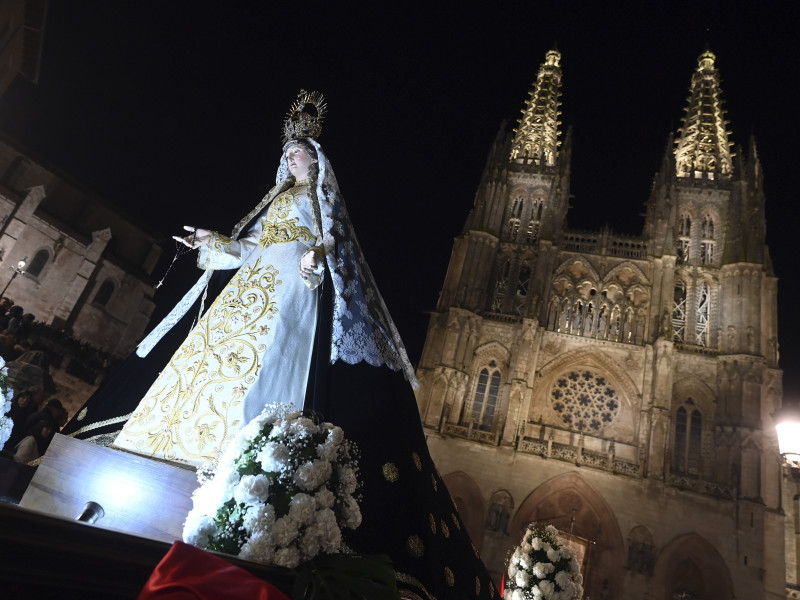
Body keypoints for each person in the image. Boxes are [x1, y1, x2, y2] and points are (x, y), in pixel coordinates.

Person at [67, 92, 495, 598]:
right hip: (251, 292)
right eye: (288, 155)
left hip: (293, 292)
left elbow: (330, 245)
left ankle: (244, 464)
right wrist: (212, 241)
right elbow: (249, 247)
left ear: (317, 161)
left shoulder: (320, 202)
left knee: (269, 369)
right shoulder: (274, 200)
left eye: (300, 155)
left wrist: (314, 260)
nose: (291, 161)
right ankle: (166, 454)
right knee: (208, 367)